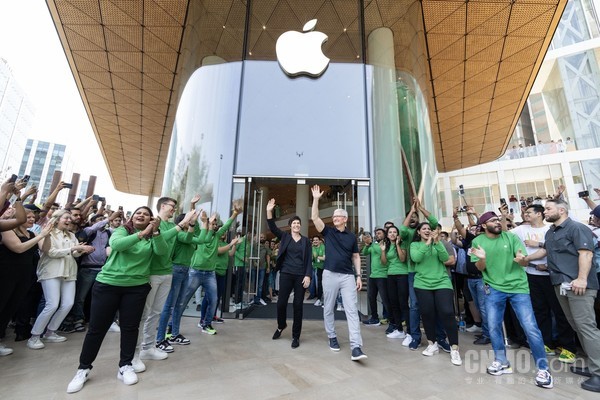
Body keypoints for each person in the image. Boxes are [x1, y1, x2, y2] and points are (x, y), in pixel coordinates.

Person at [66, 206, 166, 393]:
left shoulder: (153, 236)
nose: (141, 215)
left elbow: (161, 253)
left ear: (151, 219)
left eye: (146, 214)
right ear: (132, 217)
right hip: (108, 285)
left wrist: (156, 232)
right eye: (138, 212)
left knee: (130, 328)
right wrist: (142, 233)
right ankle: (83, 368)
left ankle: (125, 365)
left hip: (136, 288)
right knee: (97, 329)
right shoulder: (121, 230)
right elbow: (118, 245)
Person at [521, 199, 600, 392]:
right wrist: (525, 259)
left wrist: (581, 278)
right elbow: (545, 251)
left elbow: (586, 254)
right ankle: (593, 366)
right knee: (577, 326)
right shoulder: (551, 232)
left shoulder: (577, 228)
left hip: (579, 285)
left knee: (587, 327)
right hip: (561, 285)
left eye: (548, 208)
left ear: (562, 210)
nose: (544, 212)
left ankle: (599, 372)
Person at [470, 211, 553, 389]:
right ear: (484, 225)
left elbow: (522, 261)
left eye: (498, 220)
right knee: (493, 326)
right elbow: (479, 267)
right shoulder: (477, 242)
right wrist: (482, 259)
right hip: (493, 288)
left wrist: (522, 260)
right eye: (493, 221)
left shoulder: (511, 237)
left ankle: (543, 369)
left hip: (518, 288)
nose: (498, 223)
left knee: (530, 327)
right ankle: (501, 361)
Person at [510, 204, 576, 362]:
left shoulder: (550, 229)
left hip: (551, 275)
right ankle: (547, 343)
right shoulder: (521, 229)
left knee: (560, 312)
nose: (526, 215)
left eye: (529, 212)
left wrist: (540, 258)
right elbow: (506, 233)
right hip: (532, 275)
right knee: (540, 311)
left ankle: (568, 347)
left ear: (539, 214)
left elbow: (551, 249)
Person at [311, 185, 367, 361]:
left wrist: (358, 275)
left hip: (347, 276)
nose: (334, 218)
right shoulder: (328, 233)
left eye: (337, 216)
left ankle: (356, 347)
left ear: (345, 219)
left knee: (351, 310)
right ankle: (332, 337)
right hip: (329, 274)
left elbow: (356, 256)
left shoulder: (351, 237)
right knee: (328, 307)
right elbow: (314, 217)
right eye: (334, 216)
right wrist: (316, 199)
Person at [28, 210, 94, 350]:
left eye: (70, 218)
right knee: (51, 304)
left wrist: (81, 250)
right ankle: (34, 336)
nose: (69, 220)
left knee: (68, 304)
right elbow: (50, 252)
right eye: (66, 218)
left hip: (69, 272)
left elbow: (74, 254)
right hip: (51, 271)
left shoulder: (71, 235)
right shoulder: (47, 233)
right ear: (57, 219)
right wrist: (73, 248)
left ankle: (50, 332)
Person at [0, 191, 51, 356]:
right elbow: (18, 248)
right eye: (28, 217)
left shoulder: (32, 234)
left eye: (33, 218)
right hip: (6, 273)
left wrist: (47, 234)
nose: (31, 220)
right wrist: (40, 236)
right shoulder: (7, 230)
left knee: (9, 307)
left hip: (24, 274)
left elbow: (46, 249)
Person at [410, 222, 461, 365]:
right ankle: (432, 344)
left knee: (447, 312)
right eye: (424, 229)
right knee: (427, 314)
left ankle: (454, 348)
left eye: (429, 229)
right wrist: (427, 243)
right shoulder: (415, 245)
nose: (427, 231)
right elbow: (416, 258)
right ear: (419, 232)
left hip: (442, 282)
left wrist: (436, 242)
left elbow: (446, 259)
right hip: (422, 283)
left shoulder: (439, 243)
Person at [266, 198, 312, 349]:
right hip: (286, 273)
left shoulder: (306, 241)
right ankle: (281, 325)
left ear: (300, 226)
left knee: (298, 305)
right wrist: (269, 210)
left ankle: (296, 336)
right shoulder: (285, 237)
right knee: (281, 304)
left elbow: (308, 261)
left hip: (300, 276)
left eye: (298, 223)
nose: (296, 225)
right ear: (290, 226)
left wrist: (308, 275)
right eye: (294, 223)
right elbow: (272, 227)